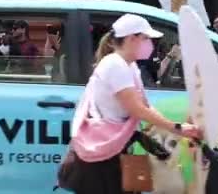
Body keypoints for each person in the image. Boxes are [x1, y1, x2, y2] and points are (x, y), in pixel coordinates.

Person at [67, 13, 201, 194]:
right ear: (132, 38)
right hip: (103, 153)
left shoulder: (128, 66)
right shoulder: (115, 65)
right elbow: (137, 109)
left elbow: (144, 107)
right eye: (146, 38)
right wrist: (176, 128)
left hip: (112, 149)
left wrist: (175, 128)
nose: (150, 44)